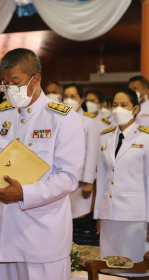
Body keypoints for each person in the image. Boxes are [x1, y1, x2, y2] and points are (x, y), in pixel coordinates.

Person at [0, 48, 85, 280]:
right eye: (4, 84)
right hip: (6, 233)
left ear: (36, 79)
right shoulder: (2, 117)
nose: (10, 90)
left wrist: (24, 193)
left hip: (42, 234)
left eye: (15, 82)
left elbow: (68, 178)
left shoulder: (63, 118)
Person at [94, 88, 149, 278]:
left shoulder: (148, 138)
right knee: (110, 267)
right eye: (114, 104)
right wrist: (99, 214)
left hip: (136, 216)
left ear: (135, 109)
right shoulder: (105, 136)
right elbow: (101, 178)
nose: (118, 109)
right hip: (109, 214)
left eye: (123, 105)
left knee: (135, 268)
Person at [63, 83, 98, 222]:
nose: (68, 100)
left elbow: (92, 151)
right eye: (65, 96)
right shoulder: (60, 118)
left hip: (80, 180)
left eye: (73, 96)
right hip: (62, 177)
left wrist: (89, 181)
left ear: (81, 99)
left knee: (78, 218)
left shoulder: (89, 121)